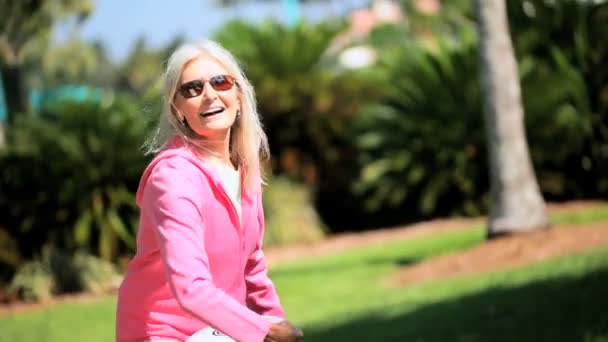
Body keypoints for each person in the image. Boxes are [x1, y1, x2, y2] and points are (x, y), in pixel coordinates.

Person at [116, 39, 304, 342]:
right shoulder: (174, 177)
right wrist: (264, 331)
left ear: (239, 95)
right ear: (178, 109)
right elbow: (190, 288)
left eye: (220, 82)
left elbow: (252, 271)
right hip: (163, 335)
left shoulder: (242, 168)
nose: (209, 95)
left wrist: (279, 324)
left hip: (217, 334)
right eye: (192, 88)